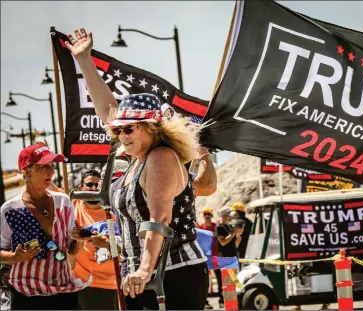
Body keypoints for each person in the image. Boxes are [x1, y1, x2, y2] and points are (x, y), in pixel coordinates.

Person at [65, 27, 211, 310]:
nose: (122, 135)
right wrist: (84, 60)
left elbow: (159, 220)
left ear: (151, 128)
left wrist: (145, 270)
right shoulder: (135, 158)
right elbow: (107, 108)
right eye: (118, 130)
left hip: (170, 275)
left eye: (129, 128)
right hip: (141, 276)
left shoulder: (161, 157)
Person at [0, 144, 91, 310]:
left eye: (51, 166)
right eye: (43, 167)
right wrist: (15, 257)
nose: (51, 172)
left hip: (63, 290)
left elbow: (71, 250)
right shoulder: (10, 209)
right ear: (26, 172)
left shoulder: (63, 202)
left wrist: (80, 240)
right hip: (26, 294)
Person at [71, 169, 121, 310]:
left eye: (97, 185)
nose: (93, 188)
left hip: (111, 283)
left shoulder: (113, 212)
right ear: (80, 188)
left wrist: (106, 244)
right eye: (89, 185)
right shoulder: (72, 207)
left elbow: (124, 249)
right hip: (85, 283)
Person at [197, 207, 221, 309]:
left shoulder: (216, 226)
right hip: (205, 258)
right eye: (205, 214)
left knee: (220, 279)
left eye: (208, 214)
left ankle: (221, 300)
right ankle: (205, 301)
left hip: (215, 257)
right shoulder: (201, 227)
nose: (207, 216)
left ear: (211, 216)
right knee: (205, 280)